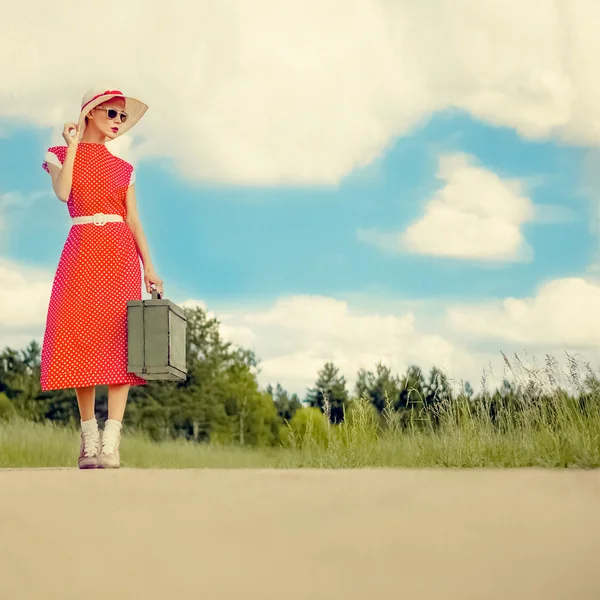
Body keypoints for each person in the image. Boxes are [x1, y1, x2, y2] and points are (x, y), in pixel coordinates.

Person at [41, 88, 163, 469]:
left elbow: (135, 221)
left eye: (122, 118)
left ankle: (112, 439)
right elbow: (64, 194)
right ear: (91, 113)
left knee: (117, 342)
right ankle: (88, 436)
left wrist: (150, 267)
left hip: (119, 253)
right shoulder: (59, 154)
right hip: (81, 247)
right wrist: (73, 144)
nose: (117, 122)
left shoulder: (124, 169)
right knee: (80, 336)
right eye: (112, 113)